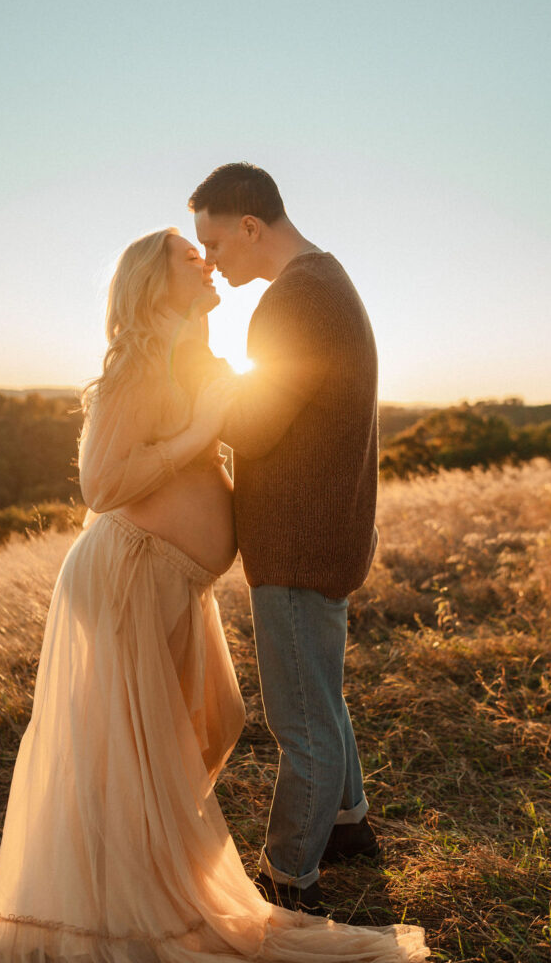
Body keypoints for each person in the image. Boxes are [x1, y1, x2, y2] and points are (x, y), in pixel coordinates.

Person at [0, 227, 428, 961]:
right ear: (155, 284)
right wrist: (198, 427)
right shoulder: (137, 361)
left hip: (176, 582)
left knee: (212, 723)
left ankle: (147, 865)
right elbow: (101, 484)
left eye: (207, 248)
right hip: (131, 572)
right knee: (128, 748)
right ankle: (116, 900)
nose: (207, 261)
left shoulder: (197, 353)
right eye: (191, 258)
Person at [187, 162, 381, 913]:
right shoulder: (323, 281)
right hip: (325, 529)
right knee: (320, 695)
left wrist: (200, 376)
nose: (211, 262)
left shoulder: (291, 302)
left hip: (300, 540)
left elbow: (255, 425)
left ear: (249, 226)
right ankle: (348, 822)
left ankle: (288, 879)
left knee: (299, 722)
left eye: (215, 244)